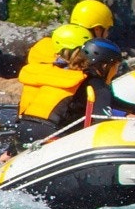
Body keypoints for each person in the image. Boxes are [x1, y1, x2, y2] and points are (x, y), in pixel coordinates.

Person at [7, 23, 92, 154]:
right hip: (51, 135)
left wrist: (10, 150)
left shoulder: (43, 72)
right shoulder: (82, 78)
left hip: (24, 132)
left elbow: (24, 111)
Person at [26, 0, 115, 65]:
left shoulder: (45, 44)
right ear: (97, 29)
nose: (107, 34)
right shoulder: (90, 53)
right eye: (106, 30)